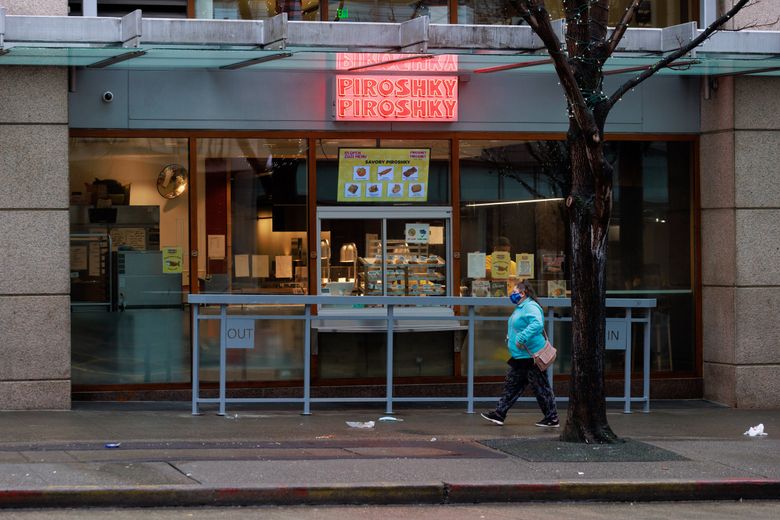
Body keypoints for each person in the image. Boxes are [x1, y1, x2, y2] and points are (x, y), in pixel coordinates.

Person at [481, 279, 560, 428]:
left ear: (523, 293)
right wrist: (510, 338)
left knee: (541, 388)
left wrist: (522, 337)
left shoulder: (530, 306)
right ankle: (499, 414)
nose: (512, 294)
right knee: (512, 385)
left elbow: (537, 323)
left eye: (515, 291)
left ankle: (552, 418)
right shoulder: (521, 307)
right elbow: (517, 325)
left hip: (532, 357)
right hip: (521, 357)